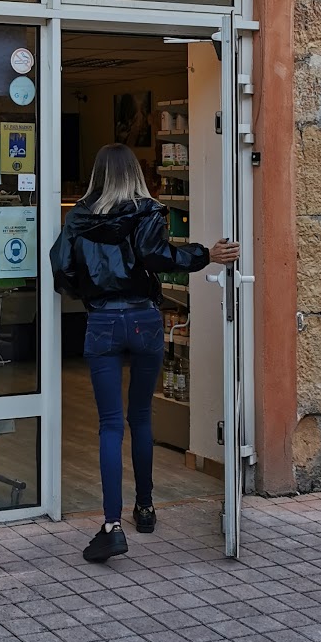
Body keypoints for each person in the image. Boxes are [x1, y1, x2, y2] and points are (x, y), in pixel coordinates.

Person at [50, 142, 240, 564]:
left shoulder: (78, 216)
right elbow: (158, 255)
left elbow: (61, 268)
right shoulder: (148, 211)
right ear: (134, 173)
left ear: (98, 175)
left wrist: (90, 292)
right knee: (140, 417)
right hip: (144, 320)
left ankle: (111, 526)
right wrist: (206, 254)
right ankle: (146, 507)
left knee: (110, 425)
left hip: (102, 321)